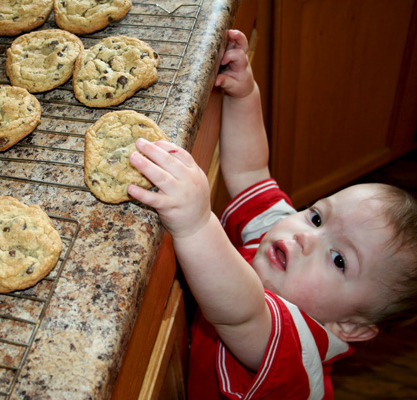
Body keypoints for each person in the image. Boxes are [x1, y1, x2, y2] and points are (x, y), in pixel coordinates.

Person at [127, 29, 417, 399]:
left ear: (347, 326)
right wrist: (244, 93)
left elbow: (242, 313)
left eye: (340, 260)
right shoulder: (282, 236)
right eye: (317, 217)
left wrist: (197, 223)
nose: (306, 238)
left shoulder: (297, 355)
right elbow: (251, 172)